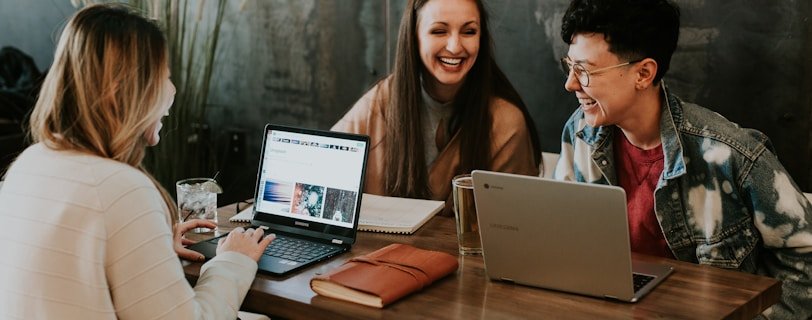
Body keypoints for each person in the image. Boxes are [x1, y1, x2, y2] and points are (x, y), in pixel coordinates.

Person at [0, 4, 274, 319]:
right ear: (122, 90)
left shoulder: (29, 164)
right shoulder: (121, 189)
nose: (172, 91)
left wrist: (148, 250)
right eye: (164, 77)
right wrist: (233, 260)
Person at [552, 0, 812, 318]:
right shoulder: (579, 132)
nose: (571, 84)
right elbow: (563, 239)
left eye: (585, 71)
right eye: (570, 66)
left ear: (644, 73)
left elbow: (806, 256)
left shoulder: (730, 154)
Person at [332, 0, 541, 212]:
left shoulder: (505, 122)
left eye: (469, 32)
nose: (454, 47)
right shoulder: (380, 102)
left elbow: (513, 224)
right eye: (439, 31)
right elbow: (323, 174)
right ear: (414, 37)